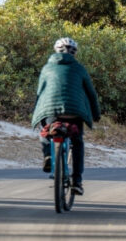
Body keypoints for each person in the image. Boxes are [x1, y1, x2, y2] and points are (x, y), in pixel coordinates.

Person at [32, 37, 101, 195]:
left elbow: (39, 93)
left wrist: (36, 112)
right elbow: (91, 93)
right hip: (74, 112)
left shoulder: (47, 68)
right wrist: (96, 114)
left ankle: (48, 155)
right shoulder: (79, 68)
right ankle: (77, 181)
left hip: (50, 111)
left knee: (45, 131)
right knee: (77, 143)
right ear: (74, 53)